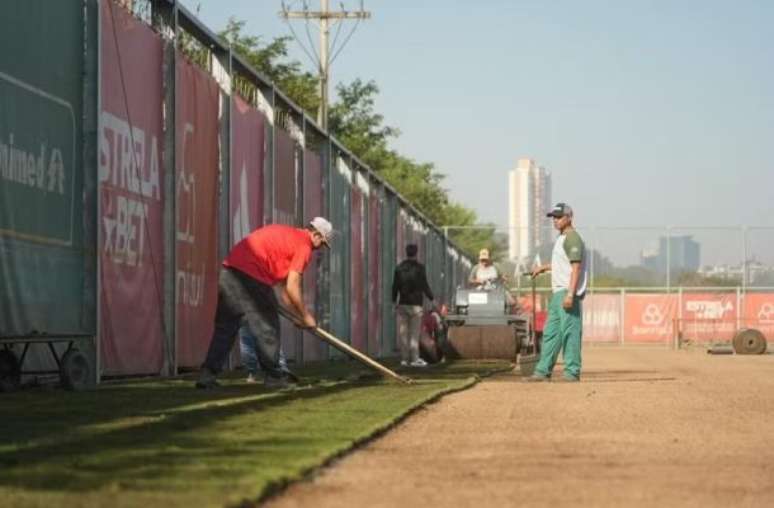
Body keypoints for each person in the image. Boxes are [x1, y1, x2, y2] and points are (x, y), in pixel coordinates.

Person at [195, 217, 333, 389]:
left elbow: (283, 291)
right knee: (267, 328)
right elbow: (292, 286)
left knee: (226, 328)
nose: (319, 248)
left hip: (230, 271)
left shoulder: (287, 234)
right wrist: (307, 316)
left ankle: (207, 375)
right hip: (253, 275)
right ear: (317, 235)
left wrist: (297, 317)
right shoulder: (304, 246)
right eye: (322, 243)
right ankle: (274, 376)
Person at [526, 203, 588, 382]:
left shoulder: (573, 237)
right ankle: (542, 371)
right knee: (551, 333)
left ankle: (571, 372)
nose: (555, 220)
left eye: (559, 216)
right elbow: (563, 265)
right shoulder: (562, 238)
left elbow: (576, 267)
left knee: (570, 332)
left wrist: (570, 294)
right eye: (553, 217)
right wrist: (543, 267)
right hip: (558, 293)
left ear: (569, 217)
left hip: (567, 292)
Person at [392, 243, 436, 367]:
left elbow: (395, 285)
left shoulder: (399, 268)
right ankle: (415, 358)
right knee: (414, 333)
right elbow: (424, 285)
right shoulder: (420, 268)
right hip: (416, 305)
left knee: (403, 333)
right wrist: (432, 298)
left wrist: (394, 301)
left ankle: (404, 359)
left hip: (403, 304)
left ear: (406, 252)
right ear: (416, 253)